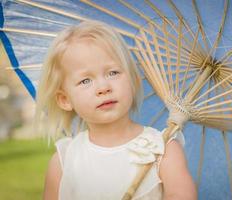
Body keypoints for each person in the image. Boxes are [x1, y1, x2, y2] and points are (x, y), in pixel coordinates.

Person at [35, 20, 197, 200]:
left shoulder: (163, 149)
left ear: (133, 81)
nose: (103, 87)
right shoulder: (64, 161)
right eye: (85, 81)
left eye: (113, 73)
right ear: (65, 99)